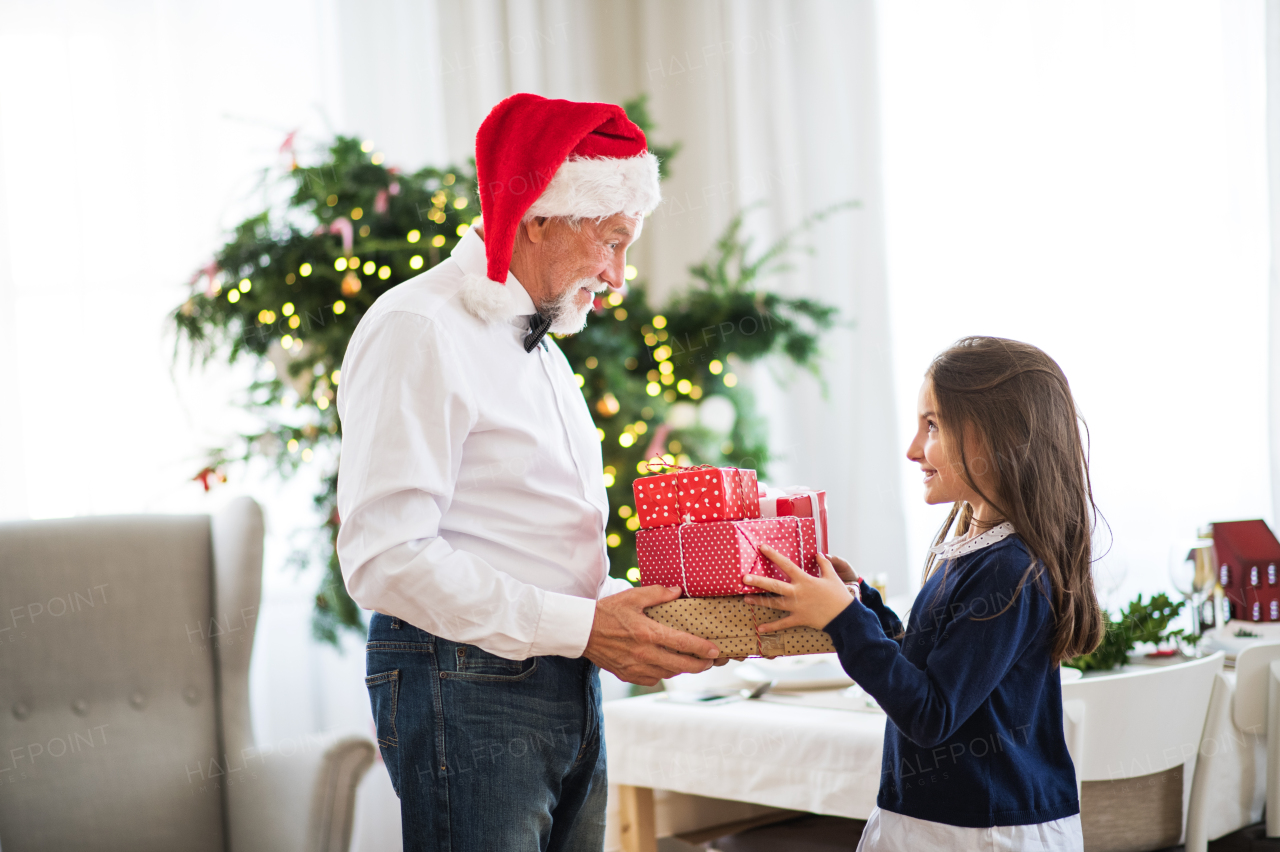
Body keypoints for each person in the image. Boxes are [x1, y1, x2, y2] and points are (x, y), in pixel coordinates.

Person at [335, 93, 723, 852]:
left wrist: (646, 619)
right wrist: (584, 627)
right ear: (540, 216)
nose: (617, 275)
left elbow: (522, 543)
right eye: (611, 241)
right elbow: (385, 558)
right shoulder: (421, 327)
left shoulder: (537, 342)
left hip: (558, 678)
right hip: (465, 684)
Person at [744, 336, 1104, 852]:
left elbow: (930, 714)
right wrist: (862, 604)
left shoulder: (1009, 570)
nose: (914, 449)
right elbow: (933, 668)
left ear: (995, 435)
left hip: (983, 833)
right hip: (944, 823)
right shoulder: (977, 553)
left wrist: (846, 620)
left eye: (932, 426)